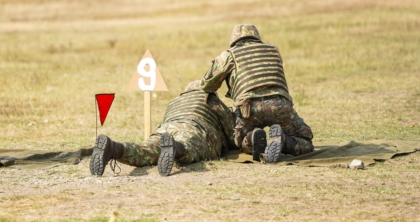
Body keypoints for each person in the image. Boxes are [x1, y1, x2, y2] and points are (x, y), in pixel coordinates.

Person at [198, 24, 314, 163]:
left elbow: (207, 85)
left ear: (233, 39)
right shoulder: (273, 50)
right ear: (256, 36)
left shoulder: (228, 55)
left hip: (249, 108)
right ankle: (284, 142)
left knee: (240, 141)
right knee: (305, 142)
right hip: (280, 104)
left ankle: (253, 138)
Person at [90, 81, 236, 177]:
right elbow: (232, 134)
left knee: (146, 150)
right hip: (194, 127)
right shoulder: (212, 100)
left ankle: (115, 148)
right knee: (189, 147)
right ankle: (176, 148)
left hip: (166, 128)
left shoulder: (175, 101)